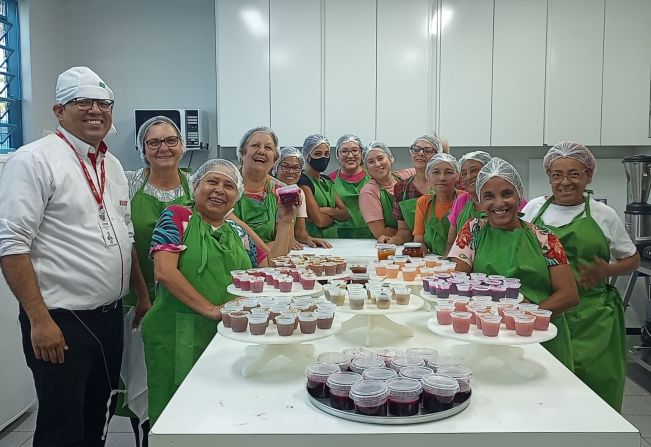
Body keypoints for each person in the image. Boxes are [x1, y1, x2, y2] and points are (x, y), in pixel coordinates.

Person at [0, 66, 148, 447]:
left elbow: (125, 234)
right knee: (61, 427)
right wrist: (39, 320)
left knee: (97, 414)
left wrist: (141, 295)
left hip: (109, 317)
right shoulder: (34, 160)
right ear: (58, 110)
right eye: (82, 101)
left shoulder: (111, 166)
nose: (95, 110)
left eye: (103, 103)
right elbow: (12, 243)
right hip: (60, 321)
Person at [141, 159, 297, 424]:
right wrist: (212, 310)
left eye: (229, 185)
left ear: (236, 195)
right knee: (178, 416)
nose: (219, 190)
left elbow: (272, 267)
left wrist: (285, 223)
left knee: (220, 412)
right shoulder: (177, 217)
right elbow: (165, 272)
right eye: (212, 182)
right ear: (195, 185)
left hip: (229, 336)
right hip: (177, 333)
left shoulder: (237, 231)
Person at [522, 141, 639, 411]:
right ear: (549, 177)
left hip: (592, 318)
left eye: (574, 174)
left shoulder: (603, 214)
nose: (565, 182)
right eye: (556, 174)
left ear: (588, 176)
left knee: (593, 390)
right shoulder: (534, 210)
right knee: (544, 389)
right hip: (544, 310)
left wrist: (608, 269)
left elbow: (632, 258)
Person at [449, 158, 579, 369]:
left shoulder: (545, 238)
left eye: (507, 194)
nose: (499, 203)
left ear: (519, 196)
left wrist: (528, 315)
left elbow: (569, 294)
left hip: (540, 337)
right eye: (489, 196)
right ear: (480, 201)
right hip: (488, 334)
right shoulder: (472, 231)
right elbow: (458, 284)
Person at [117, 116, 193, 445]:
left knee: (183, 377)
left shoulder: (198, 182)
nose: (163, 148)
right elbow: (126, 241)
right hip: (142, 300)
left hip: (189, 301)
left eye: (170, 140)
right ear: (142, 150)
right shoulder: (130, 184)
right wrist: (142, 296)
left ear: (182, 146)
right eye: (154, 142)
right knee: (145, 378)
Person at [378, 135, 441, 245]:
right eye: (416, 149)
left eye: (427, 150)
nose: (420, 153)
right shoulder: (402, 188)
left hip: (445, 249)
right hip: (417, 248)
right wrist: (393, 240)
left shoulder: (445, 185)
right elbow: (404, 231)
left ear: (438, 156)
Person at [232, 127, 286, 247]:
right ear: (242, 153)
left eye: (268, 147)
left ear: (275, 159)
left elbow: (284, 241)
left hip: (270, 261)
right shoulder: (226, 185)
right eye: (255, 145)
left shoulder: (281, 191)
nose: (261, 151)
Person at [272, 146, 331, 249]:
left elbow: (300, 231)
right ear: (276, 167)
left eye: (296, 168)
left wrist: (308, 239)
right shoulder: (268, 191)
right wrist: (288, 239)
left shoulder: (299, 193)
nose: (291, 172)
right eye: (285, 166)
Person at [359, 141, 414, 238]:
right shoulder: (368, 192)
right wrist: (416, 231)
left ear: (390, 158)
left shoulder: (406, 176)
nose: (377, 164)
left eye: (380, 158)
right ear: (366, 168)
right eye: (371, 162)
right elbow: (381, 233)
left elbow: (429, 170)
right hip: (390, 245)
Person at [298, 134, 348, 239]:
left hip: (334, 240)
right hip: (314, 241)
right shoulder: (303, 181)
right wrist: (335, 215)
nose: (323, 158)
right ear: (307, 156)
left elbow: (345, 215)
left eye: (326, 154)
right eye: (317, 154)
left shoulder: (327, 180)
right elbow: (319, 221)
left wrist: (329, 211)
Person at [444, 151, 492, 254]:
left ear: (489, 171)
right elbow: (450, 243)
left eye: (474, 171)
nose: (469, 177)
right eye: (464, 173)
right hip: (462, 264)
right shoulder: (462, 201)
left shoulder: (505, 202)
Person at [412, 153, 460, 255]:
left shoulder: (465, 200)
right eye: (436, 172)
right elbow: (418, 240)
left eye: (448, 172)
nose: (442, 178)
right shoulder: (423, 202)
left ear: (457, 176)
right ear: (428, 176)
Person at [328, 134, 373, 238]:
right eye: (344, 151)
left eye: (355, 150)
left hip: (372, 235)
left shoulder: (374, 177)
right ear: (337, 155)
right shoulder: (329, 181)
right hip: (338, 237)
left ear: (362, 153)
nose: (350, 155)